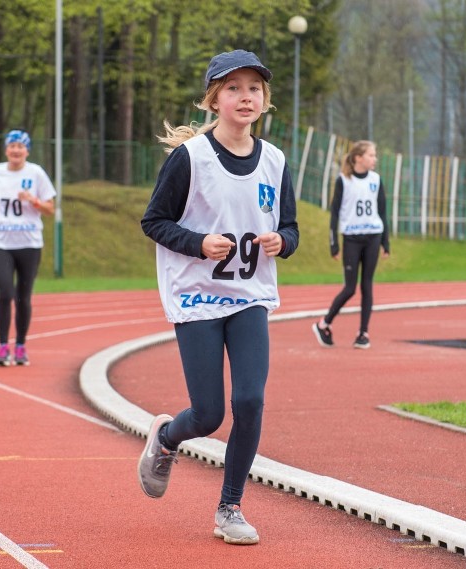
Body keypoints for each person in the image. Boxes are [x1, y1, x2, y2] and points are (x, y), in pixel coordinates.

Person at [138, 49, 298, 546]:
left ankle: (230, 507)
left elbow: (289, 226)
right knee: (208, 415)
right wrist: (198, 243)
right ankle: (166, 438)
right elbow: (154, 221)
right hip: (198, 298)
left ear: (264, 100)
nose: (244, 96)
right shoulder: (191, 159)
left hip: (248, 296)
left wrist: (283, 242)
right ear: (214, 100)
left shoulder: (274, 161)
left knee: (249, 400)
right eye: (233, 88)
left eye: (253, 88)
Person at [0, 129, 56, 367]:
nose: (16, 151)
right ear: (6, 149)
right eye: (12, 146)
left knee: (23, 297)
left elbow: (50, 208)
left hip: (29, 242)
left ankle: (21, 346)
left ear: (27, 150)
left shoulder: (36, 173)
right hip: (0, 240)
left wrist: (33, 201)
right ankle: (3, 345)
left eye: (20, 147)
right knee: (5, 293)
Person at [312, 140, 389, 349]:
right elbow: (335, 212)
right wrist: (333, 243)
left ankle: (363, 333)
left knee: (367, 286)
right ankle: (324, 323)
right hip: (352, 238)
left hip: (373, 236)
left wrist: (386, 242)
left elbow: (382, 211)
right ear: (358, 158)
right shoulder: (344, 181)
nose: (375, 159)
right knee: (350, 288)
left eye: (375, 155)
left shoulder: (376, 179)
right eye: (371, 155)